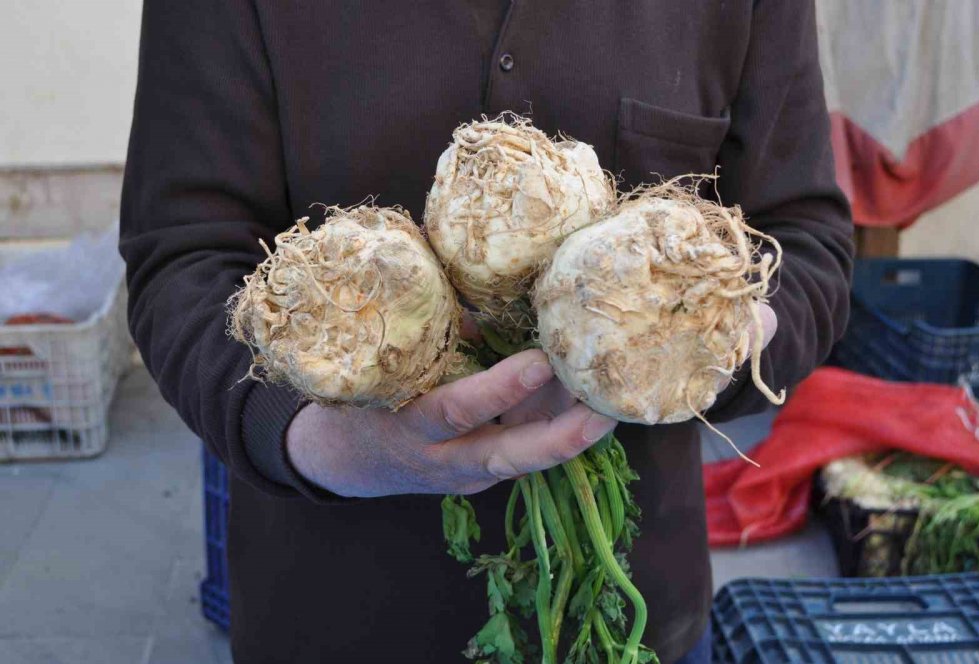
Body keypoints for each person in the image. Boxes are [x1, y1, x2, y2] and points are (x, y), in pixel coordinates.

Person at [119, 1, 852, 662]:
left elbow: (805, 240)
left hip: (635, 615)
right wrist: (324, 444)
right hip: (337, 613)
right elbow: (182, 254)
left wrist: (685, 348)